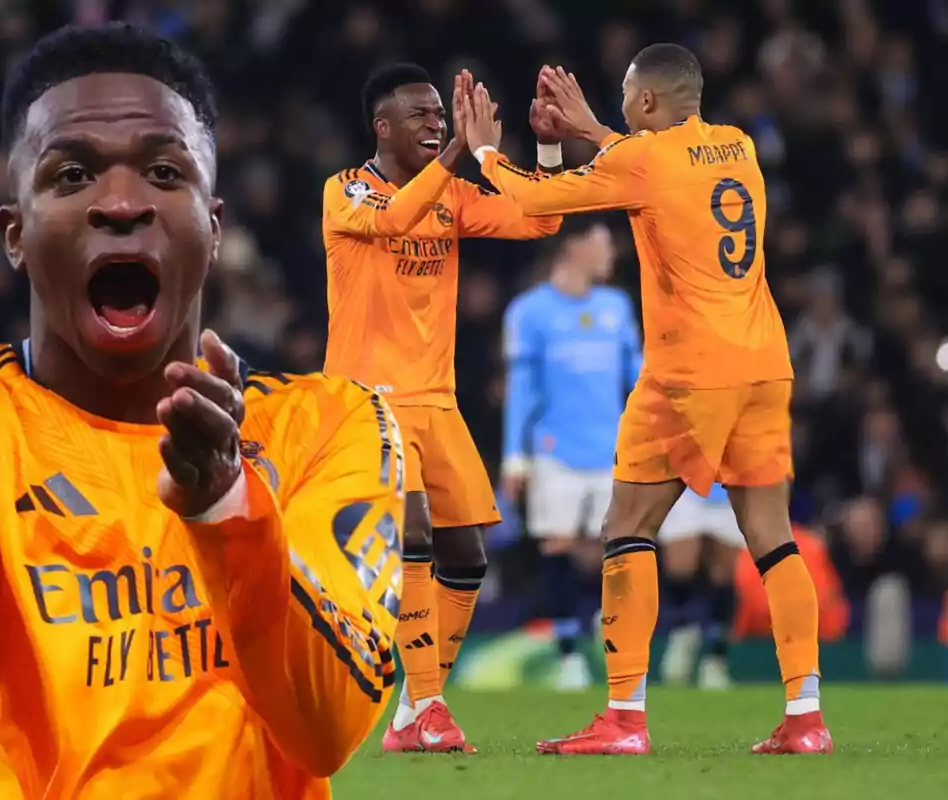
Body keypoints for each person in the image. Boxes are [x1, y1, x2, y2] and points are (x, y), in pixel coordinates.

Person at [0, 24, 406, 799]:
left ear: (215, 225)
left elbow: (326, 728)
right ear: (16, 235)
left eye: (165, 172)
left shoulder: (334, 425)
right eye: (71, 177)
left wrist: (230, 511)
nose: (122, 203)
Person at [459, 43, 832, 755]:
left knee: (626, 525)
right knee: (771, 537)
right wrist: (597, 130)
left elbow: (539, 197)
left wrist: (485, 153)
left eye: (629, 98)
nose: (623, 109)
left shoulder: (641, 160)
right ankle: (806, 716)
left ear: (650, 103)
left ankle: (624, 719)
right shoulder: (738, 147)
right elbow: (654, 166)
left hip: (689, 373)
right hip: (763, 364)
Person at [322, 63, 563, 753]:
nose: (435, 123)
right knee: (416, 535)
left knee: (468, 556)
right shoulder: (345, 192)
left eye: (440, 114)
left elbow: (540, 218)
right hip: (369, 400)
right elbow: (396, 218)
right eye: (422, 115)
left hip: (437, 400)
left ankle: (410, 713)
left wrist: (541, 151)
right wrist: (461, 148)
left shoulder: (453, 196)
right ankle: (427, 705)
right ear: (384, 126)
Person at [501, 221, 640, 691]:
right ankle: (568, 658)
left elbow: (637, 378)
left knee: (618, 552)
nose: (611, 254)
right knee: (557, 546)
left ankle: (616, 648)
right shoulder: (529, 312)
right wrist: (513, 456)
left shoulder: (617, 308)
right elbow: (522, 388)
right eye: (603, 244)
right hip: (554, 449)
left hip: (613, 450)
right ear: (574, 248)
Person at [657, 483, 742, 690]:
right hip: (684, 480)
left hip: (734, 482)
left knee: (723, 573)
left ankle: (716, 657)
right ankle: (682, 633)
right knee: (680, 567)